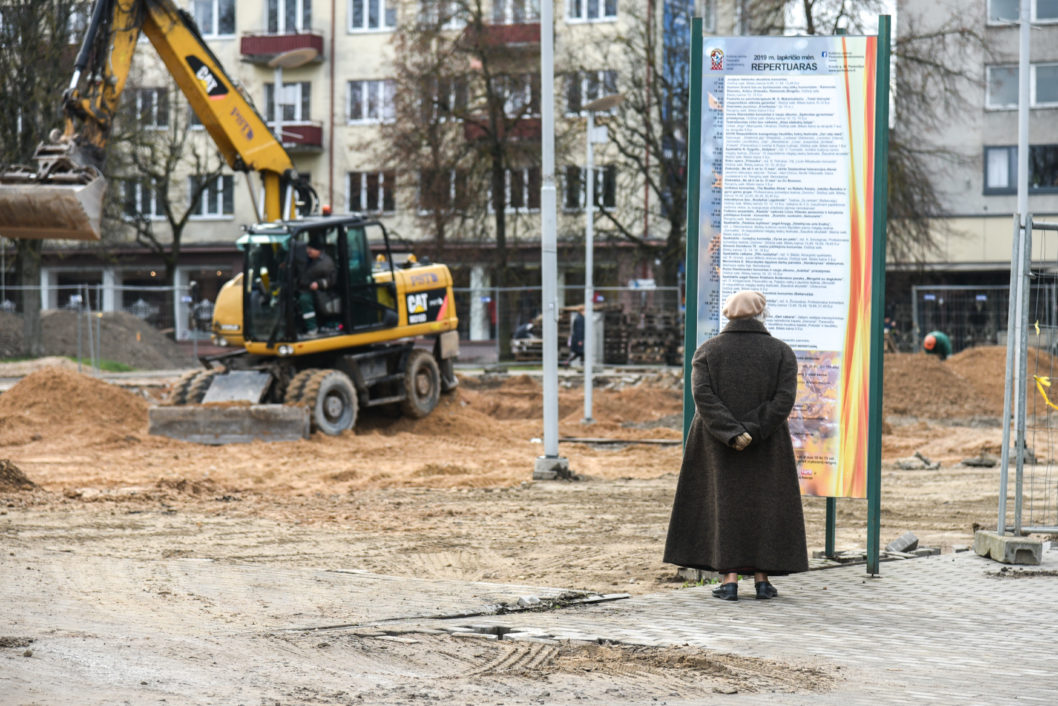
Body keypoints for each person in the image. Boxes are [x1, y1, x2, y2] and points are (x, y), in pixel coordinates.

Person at [664, 290, 808, 601]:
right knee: (763, 505)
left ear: (728, 316)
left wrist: (731, 432)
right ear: (761, 315)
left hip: (716, 443)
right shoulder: (782, 352)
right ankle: (762, 580)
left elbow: (703, 397)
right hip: (767, 443)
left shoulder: (707, 351)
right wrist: (753, 431)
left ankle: (729, 581)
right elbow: (784, 400)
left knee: (724, 505)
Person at [294, 236, 336, 334]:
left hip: (321, 292)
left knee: (305, 299)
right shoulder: (309, 259)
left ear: (318, 250)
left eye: (311, 249)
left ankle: (312, 327)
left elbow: (332, 280)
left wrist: (319, 284)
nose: (308, 251)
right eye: (308, 248)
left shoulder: (326, 263)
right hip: (305, 288)